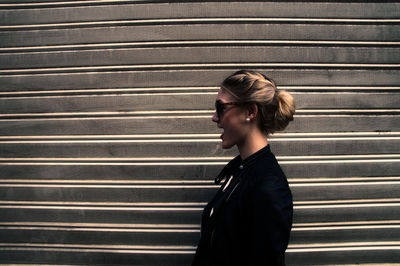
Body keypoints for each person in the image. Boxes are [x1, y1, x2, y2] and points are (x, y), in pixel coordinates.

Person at [192, 70, 295, 266]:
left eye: (220, 107)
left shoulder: (269, 188)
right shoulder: (242, 171)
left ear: (250, 112)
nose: (214, 117)